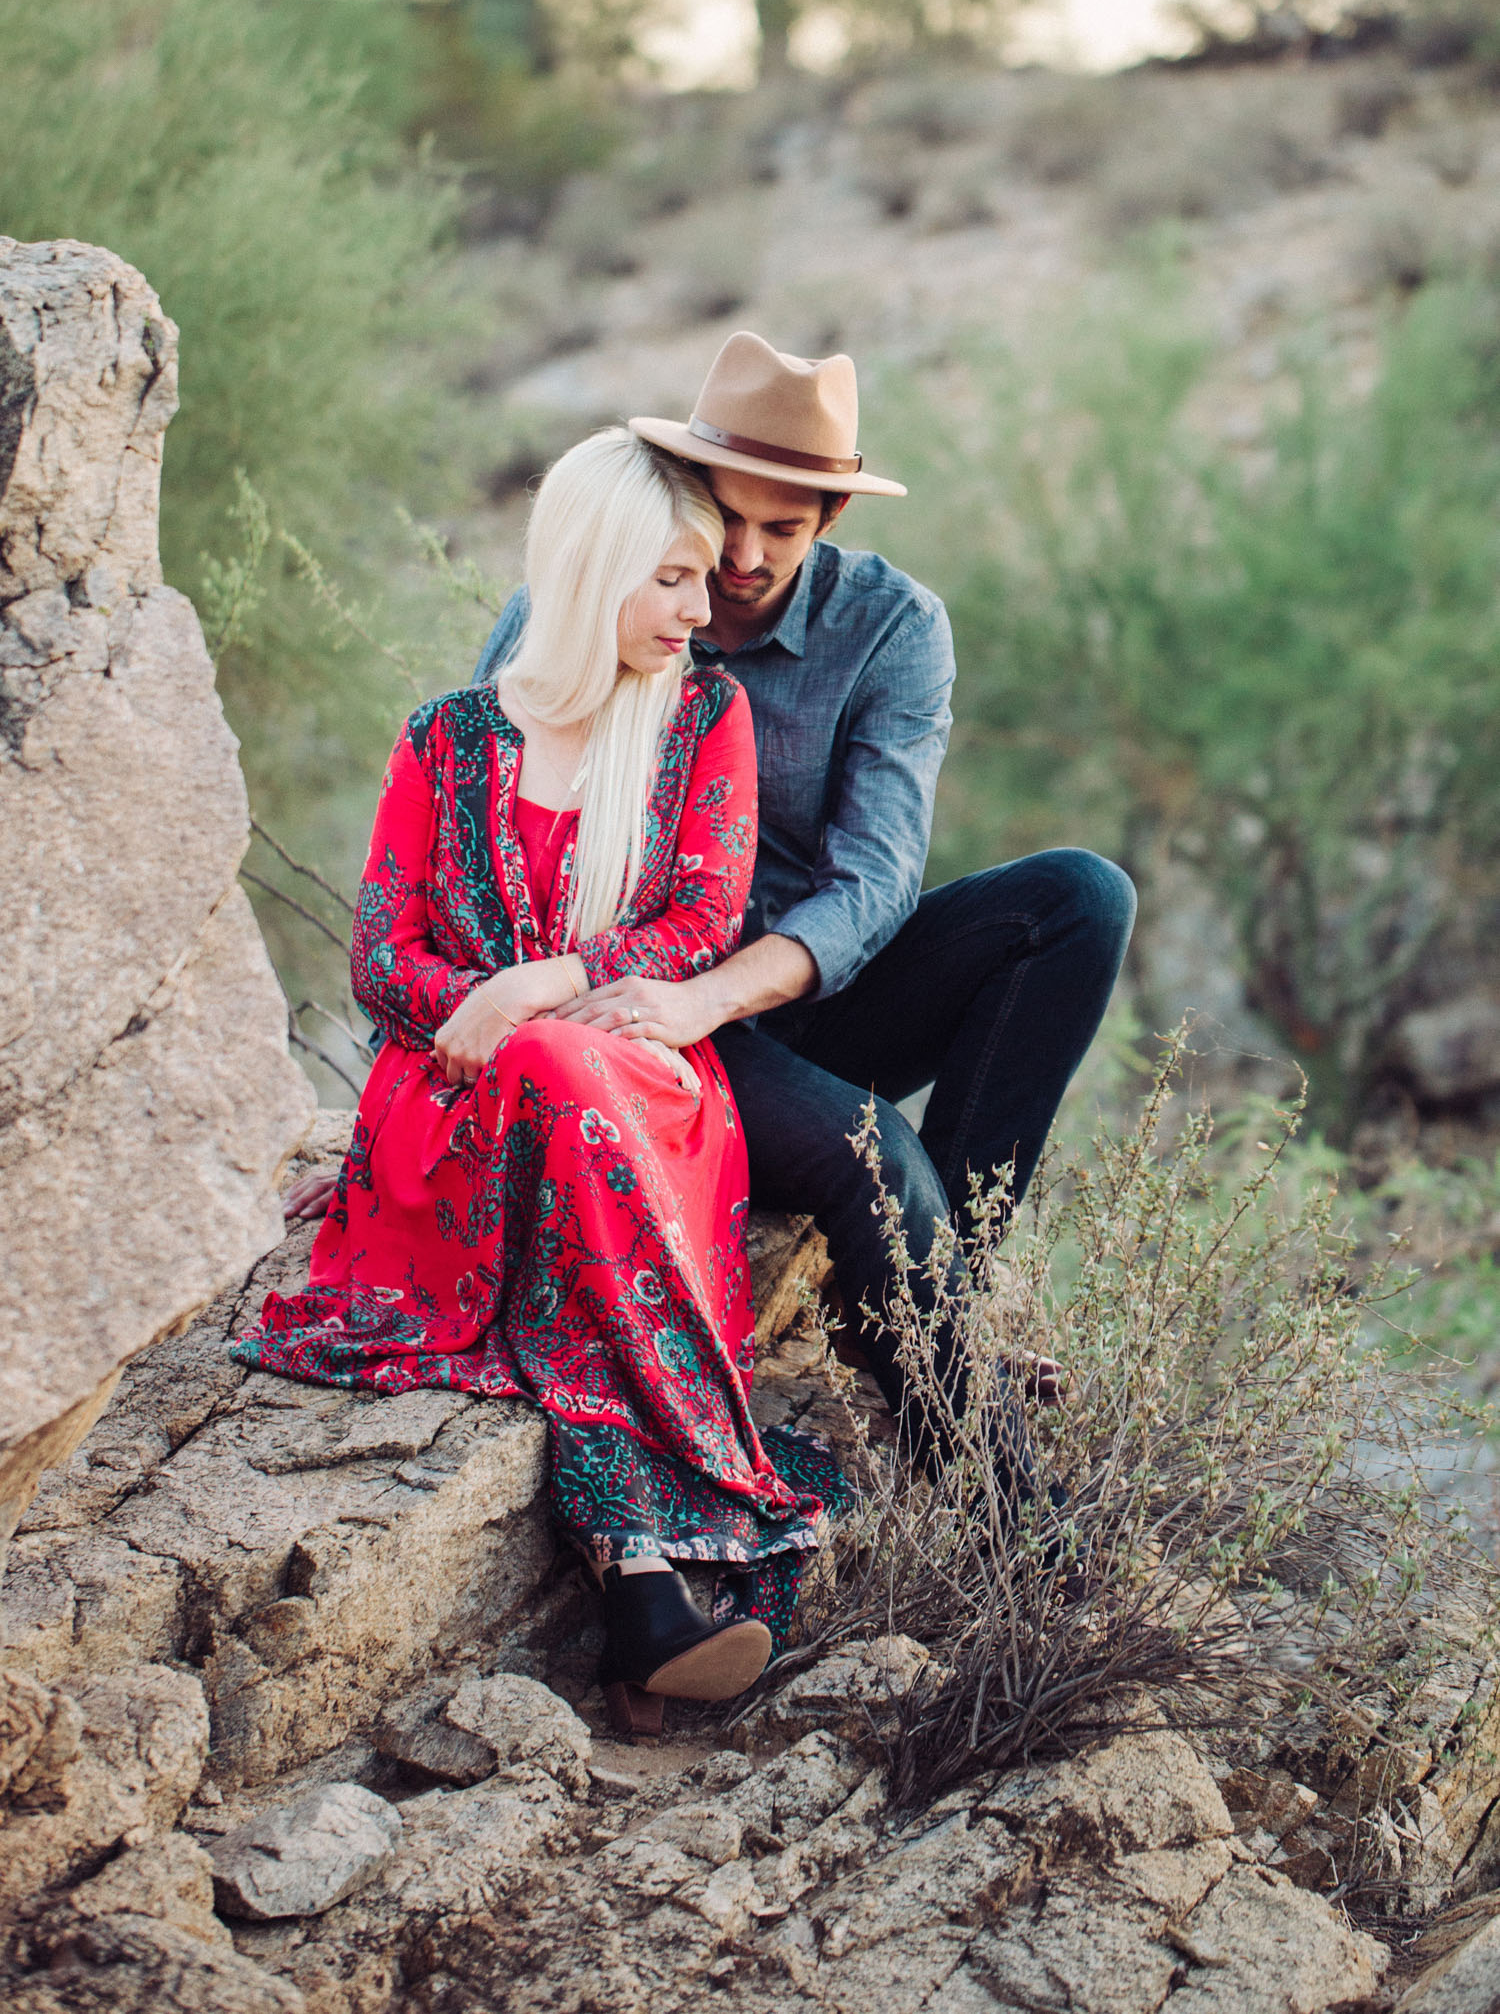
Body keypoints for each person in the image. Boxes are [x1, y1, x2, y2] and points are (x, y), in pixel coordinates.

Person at [289, 331, 1136, 1497]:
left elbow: (877, 880)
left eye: (781, 531)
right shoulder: (579, 606)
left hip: (766, 986)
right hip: (614, 1008)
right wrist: (401, 1130)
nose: (739, 559)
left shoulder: (892, 627)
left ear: (827, 521)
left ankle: (922, 1303)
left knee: (1079, 899)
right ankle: (996, 1485)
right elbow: (472, 857)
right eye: (723, 519)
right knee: (870, 1156)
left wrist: (707, 996)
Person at [235, 429, 839, 1739]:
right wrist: (485, 1011)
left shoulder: (701, 720)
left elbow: (697, 923)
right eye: (673, 579)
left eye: (704, 581)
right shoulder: (447, 739)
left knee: (566, 1068)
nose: (703, 607)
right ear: (595, 567)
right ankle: (652, 1577)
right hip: (456, 1100)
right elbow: (381, 957)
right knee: (551, 1080)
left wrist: (530, 986)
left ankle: (648, 1581)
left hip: (637, 1086)